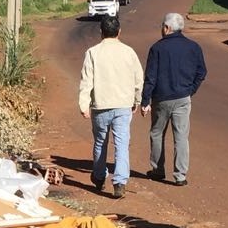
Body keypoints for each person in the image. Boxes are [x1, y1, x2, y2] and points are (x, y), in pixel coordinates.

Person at [78, 14, 144, 198]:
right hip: (123, 104)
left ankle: (99, 177)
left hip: (100, 105)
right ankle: (120, 182)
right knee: (122, 144)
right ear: (119, 32)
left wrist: (84, 104)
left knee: (100, 142)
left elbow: (86, 80)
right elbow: (138, 79)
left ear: (101, 32)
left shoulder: (93, 52)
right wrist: (137, 100)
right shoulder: (128, 52)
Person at [140, 12, 207, 186]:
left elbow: (150, 77)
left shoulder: (157, 48)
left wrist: (145, 100)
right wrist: (190, 90)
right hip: (183, 98)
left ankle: (157, 170)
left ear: (167, 28)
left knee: (157, 133)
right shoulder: (193, 47)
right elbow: (201, 72)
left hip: (161, 99)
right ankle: (180, 176)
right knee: (181, 137)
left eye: (163, 26)